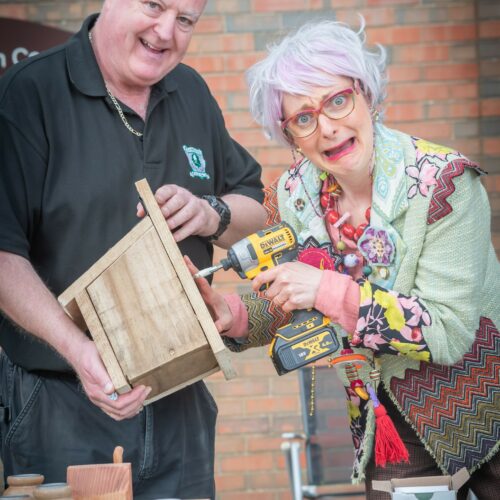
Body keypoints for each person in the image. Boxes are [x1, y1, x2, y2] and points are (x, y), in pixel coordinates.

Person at [188, 19, 500, 499]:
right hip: (383, 422)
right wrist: (231, 314)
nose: (327, 126)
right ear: (290, 134)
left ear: (368, 95)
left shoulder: (443, 184)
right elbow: (294, 296)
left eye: (338, 99)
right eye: (303, 117)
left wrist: (327, 289)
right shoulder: (295, 192)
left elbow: (448, 329)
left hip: (480, 404)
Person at [0, 0, 267, 497]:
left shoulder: (191, 91)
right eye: (154, 5)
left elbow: (255, 210)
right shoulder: (28, 94)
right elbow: (3, 254)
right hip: (60, 403)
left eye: (186, 20)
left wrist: (213, 214)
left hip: (180, 402)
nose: (166, 30)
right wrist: (79, 352)